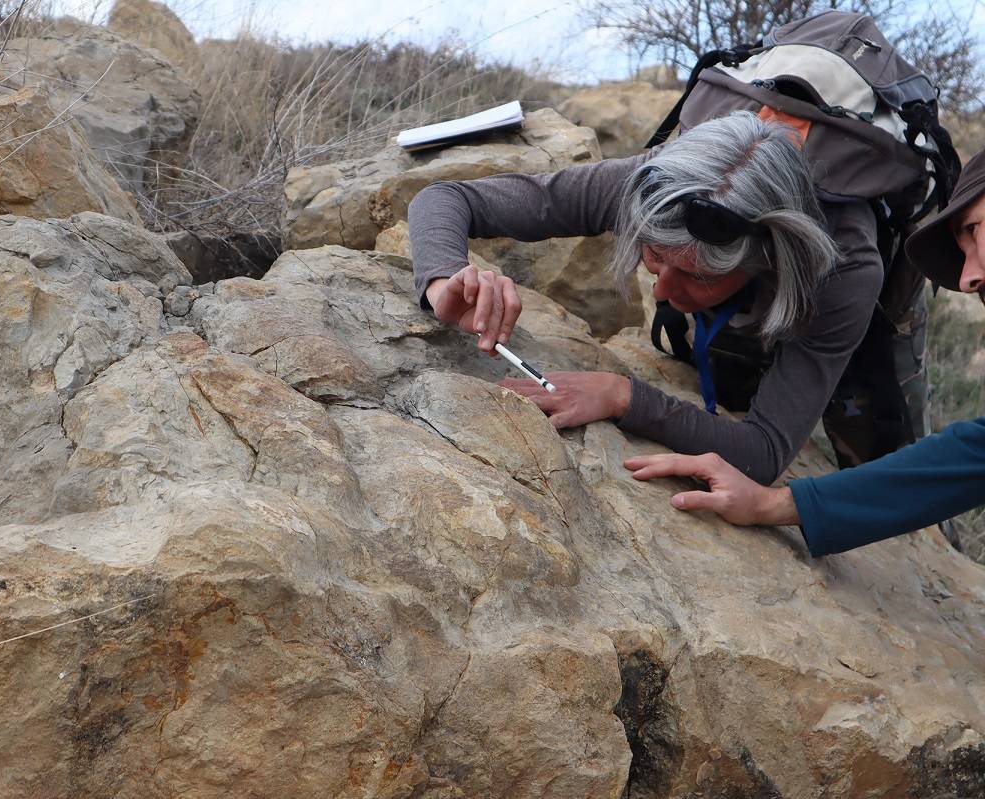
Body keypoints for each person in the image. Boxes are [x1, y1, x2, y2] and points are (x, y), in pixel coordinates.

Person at [411, 111, 924, 486]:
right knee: (727, 376)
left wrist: (625, 396)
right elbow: (444, 198)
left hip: (839, 291)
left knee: (880, 443)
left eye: (696, 276)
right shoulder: (655, 187)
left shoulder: (845, 270)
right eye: (654, 257)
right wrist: (443, 280)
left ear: (766, 260)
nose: (659, 290)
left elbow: (764, 452)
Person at [623, 148, 985, 556]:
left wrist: (625, 397)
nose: (969, 277)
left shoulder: (848, 270)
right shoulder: (679, 182)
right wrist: (769, 504)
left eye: (973, 229)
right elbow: (974, 457)